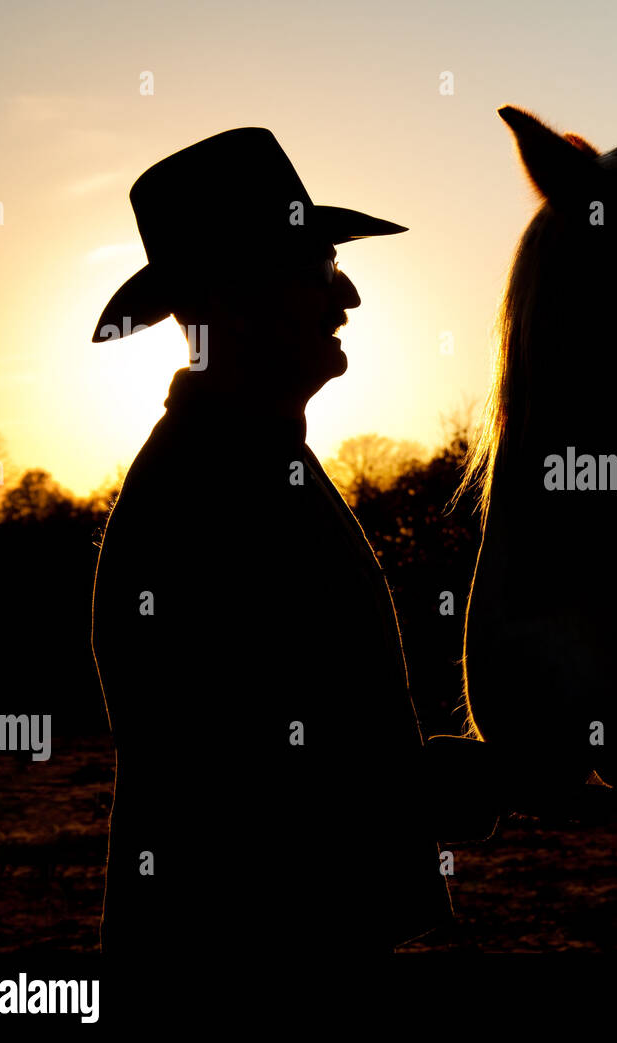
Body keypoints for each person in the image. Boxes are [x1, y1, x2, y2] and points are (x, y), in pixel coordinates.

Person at [90, 128, 503, 954]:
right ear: (235, 305)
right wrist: (474, 777)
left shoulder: (249, 462)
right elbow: (255, 783)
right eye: (318, 270)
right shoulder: (212, 491)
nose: (346, 297)